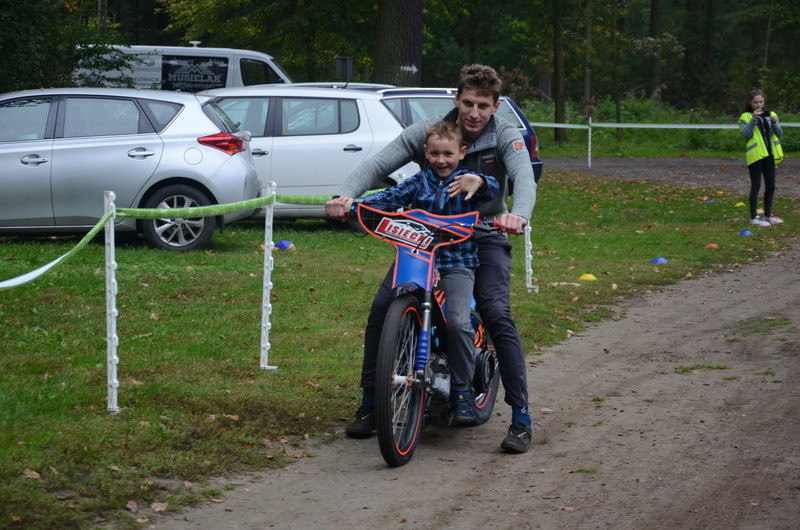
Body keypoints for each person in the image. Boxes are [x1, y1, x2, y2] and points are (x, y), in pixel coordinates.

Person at [326, 64, 536, 453]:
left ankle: (521, 414)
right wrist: (345, 196)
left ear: (495, 107)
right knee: (383, 306)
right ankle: (373, 403)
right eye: (469, 103)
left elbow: (523, 176)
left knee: (494, 310)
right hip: (424, 238)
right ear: (456, 100)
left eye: (484, 106)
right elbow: (377, 164)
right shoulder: (430, 132)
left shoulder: (506, 135)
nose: (475, 113)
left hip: (483, 236)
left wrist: (518, 215)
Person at [357, 121, 499, 423]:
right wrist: (352, 205)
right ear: (425, 153)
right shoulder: (418, 182)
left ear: (462, 152)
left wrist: (481, 183)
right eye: (434, 153)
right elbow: (385, 199)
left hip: (456, 263)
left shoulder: (465, 179)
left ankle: (461, 390)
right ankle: (373, 396)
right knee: (382, 312)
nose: (441, 160)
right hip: (416, 259)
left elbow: (493, 188)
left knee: (459, 323)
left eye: (448, 153)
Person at [739, 88, 784, 227]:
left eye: (761, 102)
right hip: (755, 156)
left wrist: (775, 122)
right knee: (756, 186)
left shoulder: (770, 114)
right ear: (750, 103)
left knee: (771, 186)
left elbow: (779, 134)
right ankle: (754, 218)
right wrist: (753, 120)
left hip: (769, 155)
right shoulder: (745, 117)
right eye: (755, 102)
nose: (759, 105)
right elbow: (746, 135)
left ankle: (768, 216)